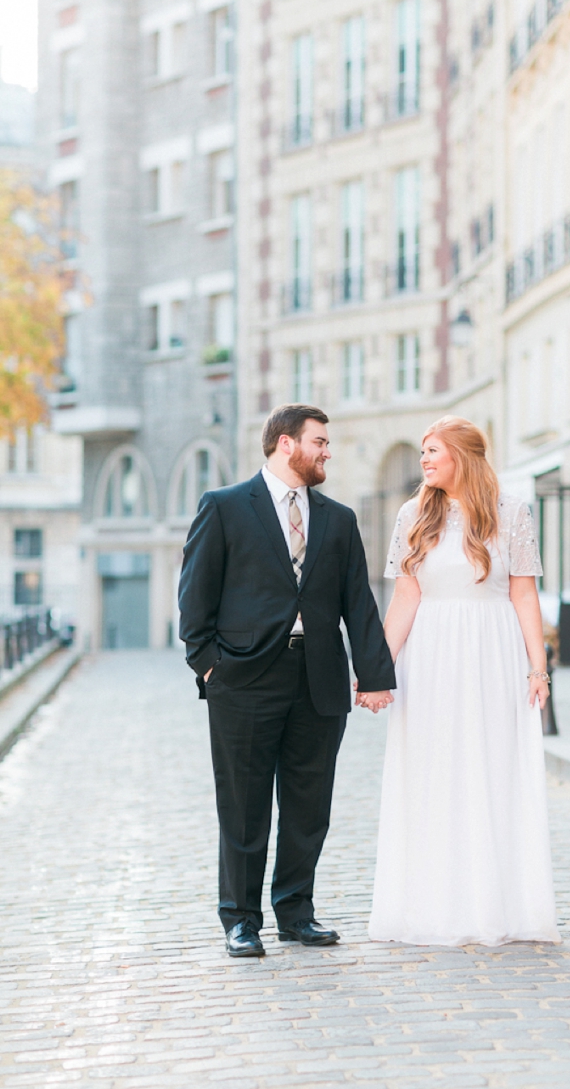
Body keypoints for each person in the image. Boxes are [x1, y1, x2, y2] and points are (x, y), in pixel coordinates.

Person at [178, 404, 395, 958]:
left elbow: (358, 601)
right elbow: (194, 598)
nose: (327, 452)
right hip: (244, 680)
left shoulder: (339, 519)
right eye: (319, 441)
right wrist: (210, 667)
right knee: (244, 805)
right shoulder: (225, 507)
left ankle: (296, 912)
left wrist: (374, 673)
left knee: (308, 805)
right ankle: (241, 919)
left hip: (318, 679)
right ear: (285, 443)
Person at [364, 416, 560, 947]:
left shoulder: (511, 512)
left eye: (433, 451)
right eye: (424, 452)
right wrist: (376, 670)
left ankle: (499, 906)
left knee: (493, 771)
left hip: (493, 653)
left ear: (463, 456)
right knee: (432, 772)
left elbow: (524, 595)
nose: (424, 460)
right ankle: (431, 907)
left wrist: (537, 667)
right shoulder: (412, 514)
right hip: (429, 656)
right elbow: (405, 598)